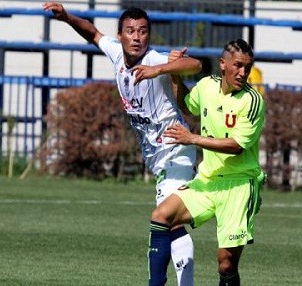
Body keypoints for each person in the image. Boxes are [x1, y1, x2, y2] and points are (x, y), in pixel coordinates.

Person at [42, 2, 202, 285]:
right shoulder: (116, 54)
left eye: (142, 31)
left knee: (163, 220)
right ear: (121, 36)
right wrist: (66, 17)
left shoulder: (154, 60)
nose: (137, 37)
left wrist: (162, 69)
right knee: (172, 224)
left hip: (177, 149)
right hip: (158, 158)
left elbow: (194, 64)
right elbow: (92, 33)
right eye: (130, 31)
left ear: (149, 37)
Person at [149, 39, 265, 286]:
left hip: (239, 186)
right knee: (161, 216)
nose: (243, 73)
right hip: (208, 181)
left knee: (226, 264)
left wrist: (192, 138)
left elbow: (236, 146)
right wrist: (175, 75)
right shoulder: (206, 86)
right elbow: (187, 105)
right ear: (223, 65)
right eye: (238, 66)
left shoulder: (252, 101)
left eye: (247, 67)